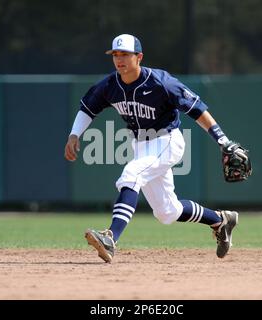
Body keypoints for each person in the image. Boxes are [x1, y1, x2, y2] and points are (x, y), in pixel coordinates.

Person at [65, 34, 241, 263]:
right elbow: (88, 108)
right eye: (115, 55)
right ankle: (220, 220)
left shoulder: (161, 82)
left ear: (139, 57)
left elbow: (196, 109)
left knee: (132, 174)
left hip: (166, 140)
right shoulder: (110, 85)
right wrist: (74, 134)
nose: (119, 59)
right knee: (167, 212)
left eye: (125, 54)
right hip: (140, 145)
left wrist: (223, 140)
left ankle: (110, 237)